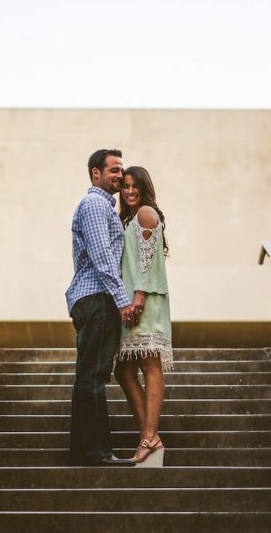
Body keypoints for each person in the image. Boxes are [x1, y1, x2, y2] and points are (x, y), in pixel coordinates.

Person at [65, 149, 142, 466]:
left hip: (96, 299)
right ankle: (93, 451)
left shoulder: (102, 207)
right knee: (93, 377)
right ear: (95, 173)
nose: (119, 175)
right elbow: (102, 258)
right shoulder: (95, 204)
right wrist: (122, 300)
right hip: (97, 298)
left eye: (120, 169)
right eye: (113, 169)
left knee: (92, 375)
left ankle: (89, 449)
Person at [113, 166, 173, 466]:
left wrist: (138, 297)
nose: (129, 191)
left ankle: (149, 436)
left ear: (144, 187)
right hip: (131, 301)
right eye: (124, 186)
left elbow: (148, 264)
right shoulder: (131, 218)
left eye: (135, 185)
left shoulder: (146, 213)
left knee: (150, 364)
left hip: (145, 302)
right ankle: (148, 435)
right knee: (123, 370)